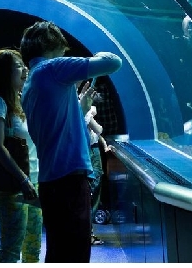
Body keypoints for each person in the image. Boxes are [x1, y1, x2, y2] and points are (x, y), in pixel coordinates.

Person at [19, 21, 122, 263]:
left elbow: (58, 128)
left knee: (59, 251)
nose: (65, 54)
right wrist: (98, 55)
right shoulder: (53, 68)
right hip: (69, 179)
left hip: (50, 180)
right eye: (62, 50)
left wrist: (79, 107)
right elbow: (113, 63)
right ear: (51, 46)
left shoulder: (30, 83)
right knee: (75, 253)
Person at [0, 48, 42, 263]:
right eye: (18, 66)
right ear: (5, 73)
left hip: (35, 181)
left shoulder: (22, 99)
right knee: (11, 248)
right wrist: (23, 179)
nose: (25, 69)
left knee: (33, 246)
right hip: (13, 185)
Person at [80, 81, 109, 246]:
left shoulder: (82, 107)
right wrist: (89, 112)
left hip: (93, 149)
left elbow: (97, 134)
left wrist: (104, 144)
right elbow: (97, 130)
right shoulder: (85, 110)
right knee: (92, 187)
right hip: (89, 151)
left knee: (93, 186)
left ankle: (87, 231)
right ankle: (87, 232)